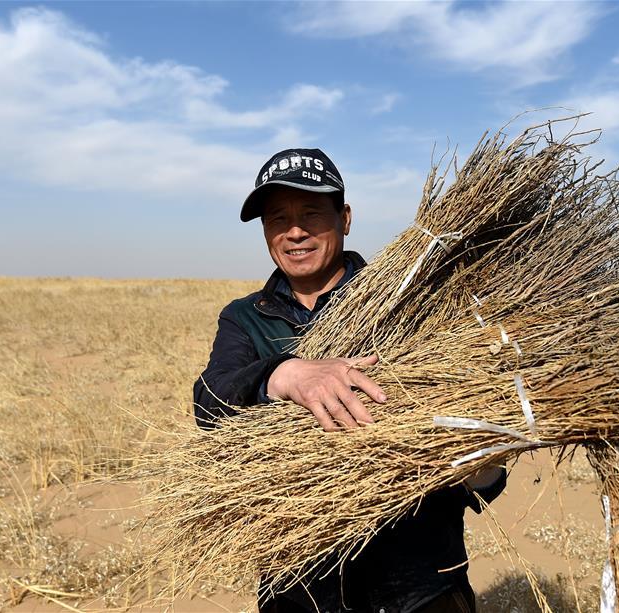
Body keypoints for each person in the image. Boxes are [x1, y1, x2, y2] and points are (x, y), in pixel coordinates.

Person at [193, 148, 507, 613]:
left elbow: (480, 444)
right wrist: (285, 374)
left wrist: (483, 466)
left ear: (345, 218)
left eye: (311, 213)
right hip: (299, 588)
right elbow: (208, 403)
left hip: (421, 587)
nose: (294, 231)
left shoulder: (412, 301)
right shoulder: (246, 318)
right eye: (278, 217)